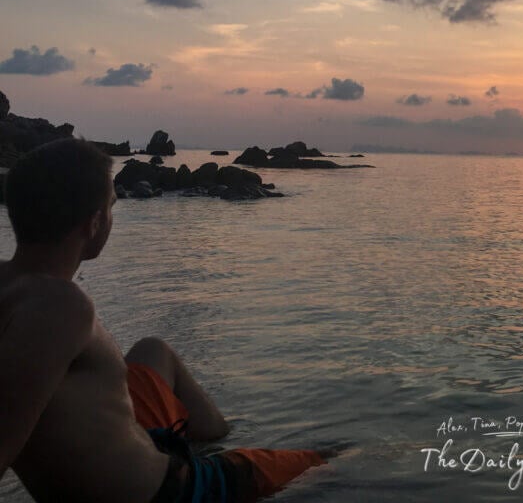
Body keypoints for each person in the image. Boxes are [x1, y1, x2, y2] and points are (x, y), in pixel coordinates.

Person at [0, 138, 327, 502]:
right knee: (329, 459)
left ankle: (210, 444)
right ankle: (224, 461)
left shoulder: (13, 285)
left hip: (128, 438)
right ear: (94, 224)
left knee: (153, 350)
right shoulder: (57, 309)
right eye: (111, 207)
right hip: (171, 492)